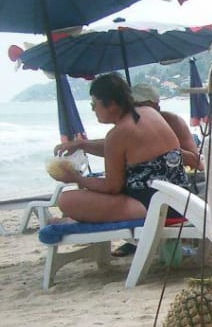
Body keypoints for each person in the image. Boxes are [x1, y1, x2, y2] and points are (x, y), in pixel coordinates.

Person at [49, 73, 191, 223]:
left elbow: (112, 187)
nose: (93, 110)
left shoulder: (118, 134)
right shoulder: (149, 113)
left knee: (66, 200)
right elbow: (124, 149)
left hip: (154, 207)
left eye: (94, 104)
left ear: (111, 105)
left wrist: (75, 178)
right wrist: (82, 144)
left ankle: (73, 221)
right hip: (180, 200)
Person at [56, 82, 202, 172]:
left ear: (156, 105)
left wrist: (162, 149)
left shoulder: (172, 121)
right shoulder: (130, 124)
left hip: (176, 183)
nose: (136, 108)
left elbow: (197, 162)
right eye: (134, 104)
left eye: (141, 104)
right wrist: (82, 144)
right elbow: (113, 148)